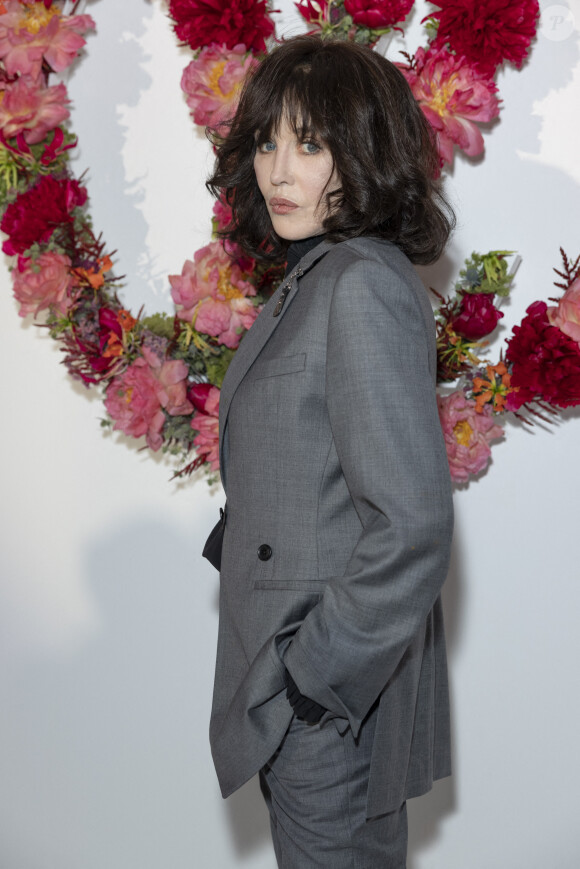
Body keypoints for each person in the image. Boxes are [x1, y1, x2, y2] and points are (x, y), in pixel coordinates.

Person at [204, 34, 455, 868]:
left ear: (363, 150)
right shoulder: (317, 275)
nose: (280, 170)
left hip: (329, 707)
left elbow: (411, 524)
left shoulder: (361, 284)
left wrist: (312, 676)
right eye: (270, 140)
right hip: (298, 689)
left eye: (310, 144)